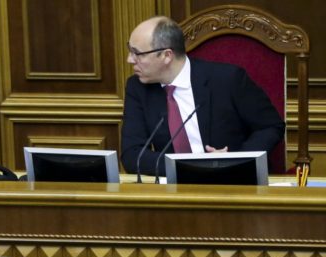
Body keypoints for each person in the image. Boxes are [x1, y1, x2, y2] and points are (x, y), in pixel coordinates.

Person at [121, 16, 285, 176]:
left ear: (166, 55)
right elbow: (132, 154)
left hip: (233, 182)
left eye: (137, 53)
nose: (130, 59)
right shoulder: (138, 88)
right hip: (175, 187)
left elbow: (271, 126)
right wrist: (193, 167)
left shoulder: (227, 80)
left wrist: (235, 160)